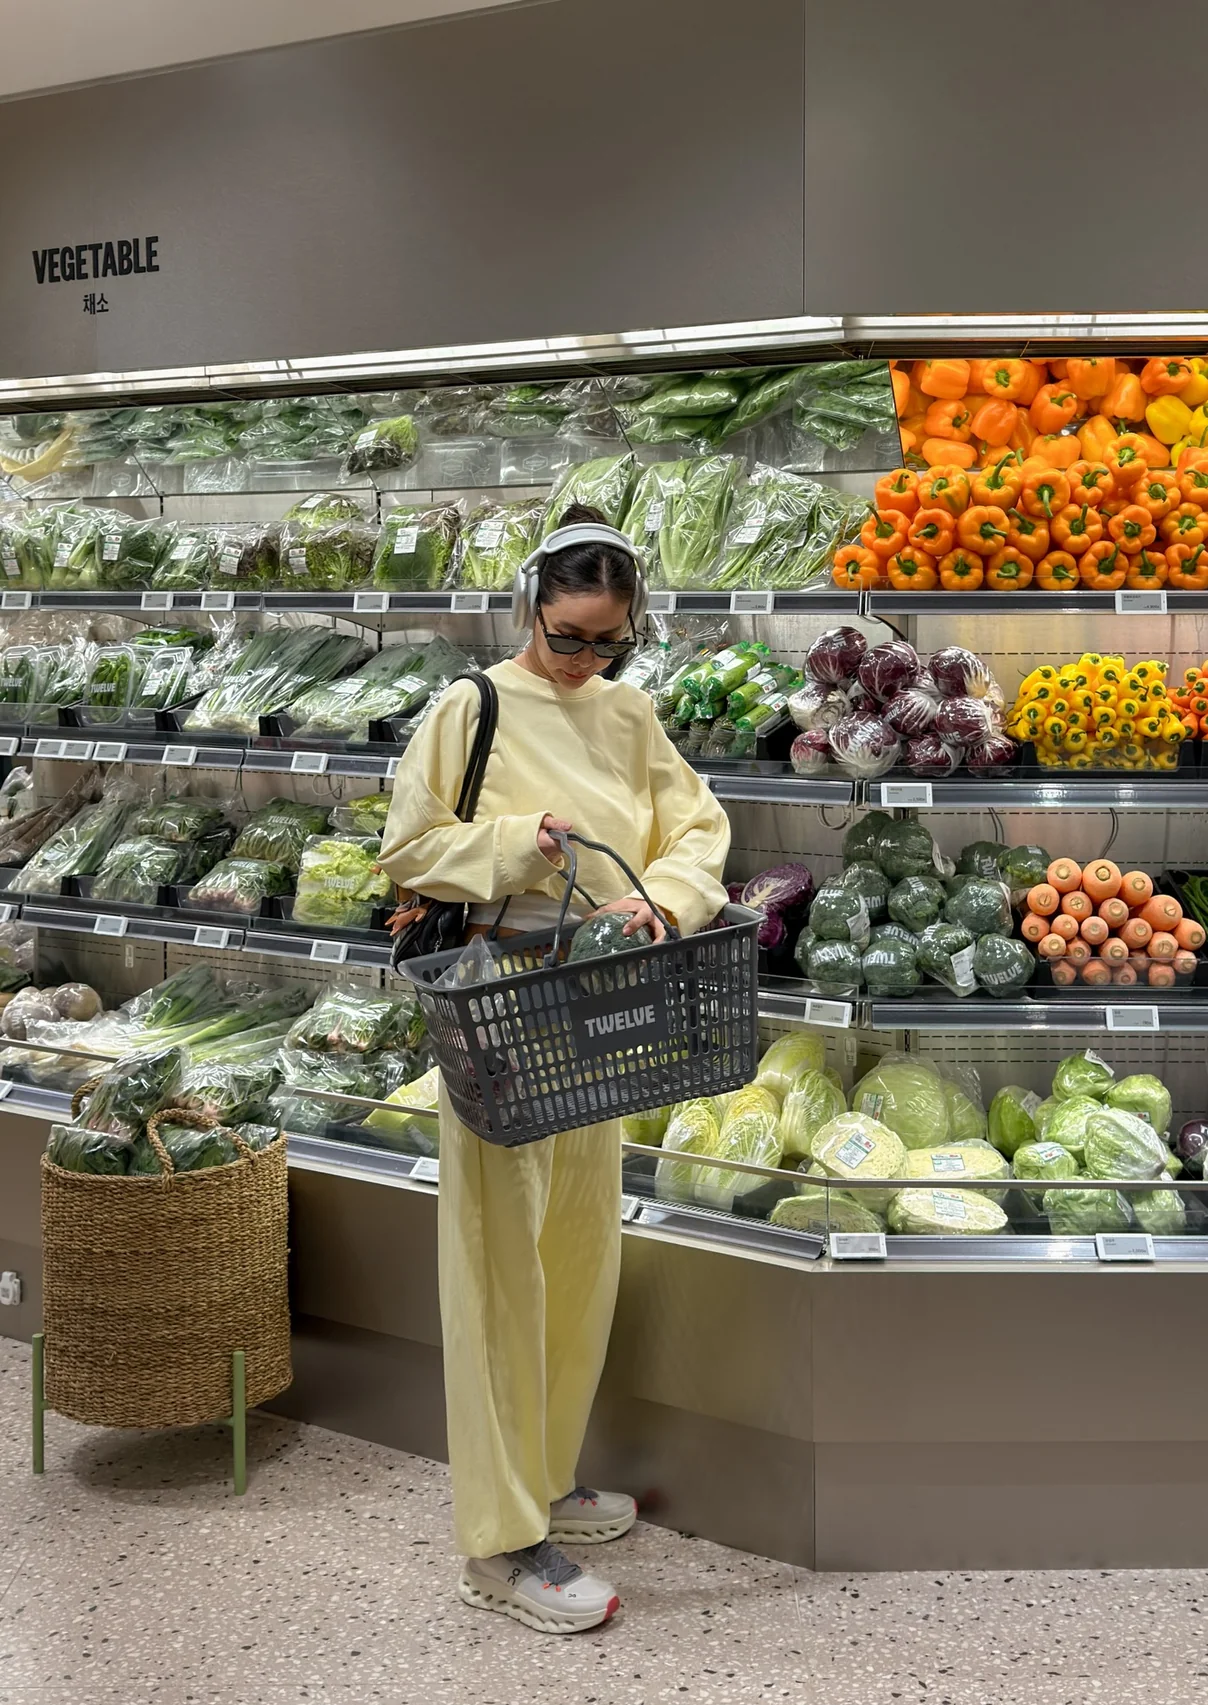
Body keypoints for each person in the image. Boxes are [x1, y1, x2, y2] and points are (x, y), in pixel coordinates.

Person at [379, 504, 730, 1634]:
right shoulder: (469, 705)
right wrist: (512, 839)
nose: (583, 661)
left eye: (606, 643)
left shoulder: (628, 714)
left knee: (581, 1245)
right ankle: (498, 1541)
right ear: (530, 604)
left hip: (598, 998)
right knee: (494, 1265)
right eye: (569, 635)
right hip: (497, 1000)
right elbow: (408, 846)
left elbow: (698, 828)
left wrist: (659, 899)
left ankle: (549, 1475)